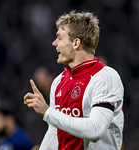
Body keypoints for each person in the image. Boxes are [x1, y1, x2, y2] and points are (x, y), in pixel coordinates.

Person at [24, 10, 124, 150]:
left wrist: (47, 112)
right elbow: (54, 132)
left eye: (59, 38)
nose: (54, 43)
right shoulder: (59, 82)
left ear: (76, 43)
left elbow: (96, 130)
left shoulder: (105, 77)